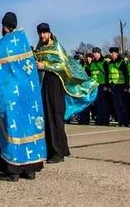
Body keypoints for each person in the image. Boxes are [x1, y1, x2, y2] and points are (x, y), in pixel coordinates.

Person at [0, 12, 46, 181]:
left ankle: (12, 171)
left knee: (11, 129)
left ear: (4, 26)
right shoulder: (26, 45)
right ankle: (30, 169)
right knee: (29, 127)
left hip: (10, 99)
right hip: (29, 97)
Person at [33, 22, 97, 163]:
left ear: (49, 33)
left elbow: (63, 65)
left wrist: (45, 65)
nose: (42, 35)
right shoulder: (39, 49)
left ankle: (58, 153)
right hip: (43, 85)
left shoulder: (56, 47)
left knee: (55, 116)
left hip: (55, 84)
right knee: (47, 117)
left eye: (45, 32)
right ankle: (54, 150)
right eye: (40, 33)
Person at [105, 47, 129, 126]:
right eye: (111, 53)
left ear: (117, 53)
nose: (111, 54)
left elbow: (126, 75)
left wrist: (126, 86)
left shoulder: (121, 62)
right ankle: (120, 120)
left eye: (113, 53)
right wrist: (109, 86)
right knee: (116, 105)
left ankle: (125, 121)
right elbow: (109, 75)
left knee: (122, 104)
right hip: (113, 86)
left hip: (121, 86)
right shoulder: (110, 63)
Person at [86, 47, 110, 125]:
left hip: (102, 85)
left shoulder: (104, 62)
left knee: (104, 104)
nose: (94, 54)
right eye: (94, 53)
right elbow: (90, 74)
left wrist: (107, 85)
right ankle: (99, 119)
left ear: (99, 53)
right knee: (97, 103)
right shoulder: (92, 63)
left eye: (96, 53)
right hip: (94, 86)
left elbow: (107, 74)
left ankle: (105, 120)